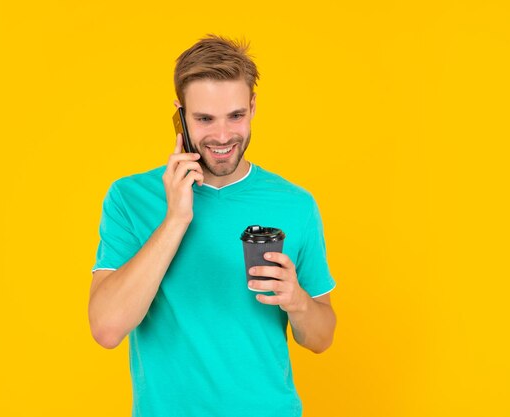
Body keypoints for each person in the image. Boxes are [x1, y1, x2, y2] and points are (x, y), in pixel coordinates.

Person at [88, 34, 337, 417]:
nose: (222, 136)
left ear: (253, 106)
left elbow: (321, 339)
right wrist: (176, 219)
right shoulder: (130, 197)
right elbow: (106, 329)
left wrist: (297, 301)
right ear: (180, 113)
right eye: (204, 119)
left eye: (235, 116)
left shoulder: (296, 205)